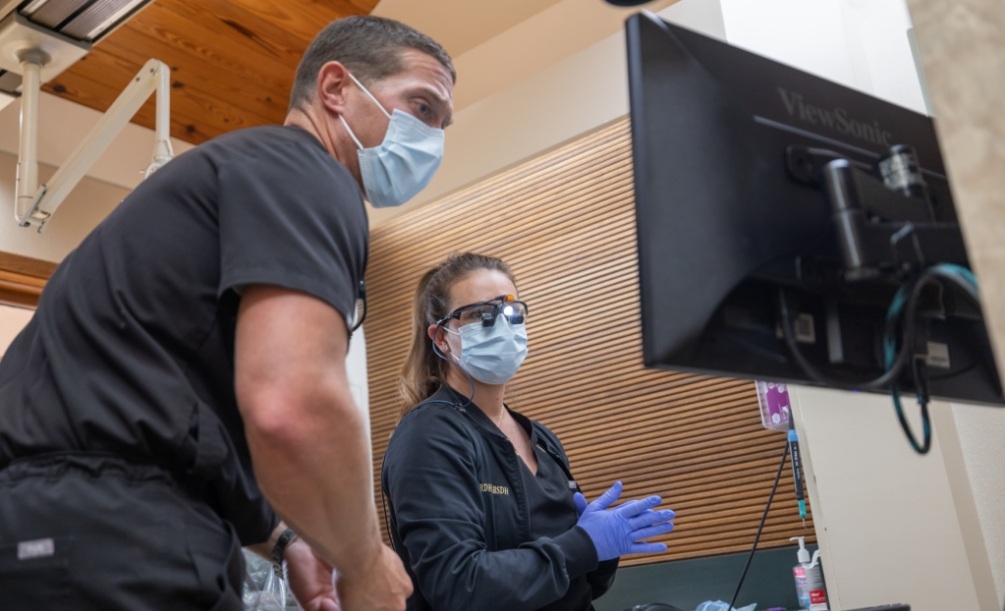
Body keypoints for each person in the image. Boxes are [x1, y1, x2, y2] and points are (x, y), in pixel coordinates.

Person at [0, 15, 454, 611]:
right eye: (421, 107)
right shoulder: (308, 171)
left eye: (443, 125)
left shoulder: (241, 174)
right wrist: (365, 565)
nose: (433, 139)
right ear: (336, 89)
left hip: (45, 530)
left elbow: (181, 413)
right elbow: (292, 405)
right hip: (117, 536)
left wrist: (286, 537)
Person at [381, 252, 676, 611]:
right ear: (442, 338)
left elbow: (580, 585)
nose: (502, 326)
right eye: (480, 314)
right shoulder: (429, 435)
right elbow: (459, 585)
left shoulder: (542, 439)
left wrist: (603, 550)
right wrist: (582, 544)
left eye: (511, 311)